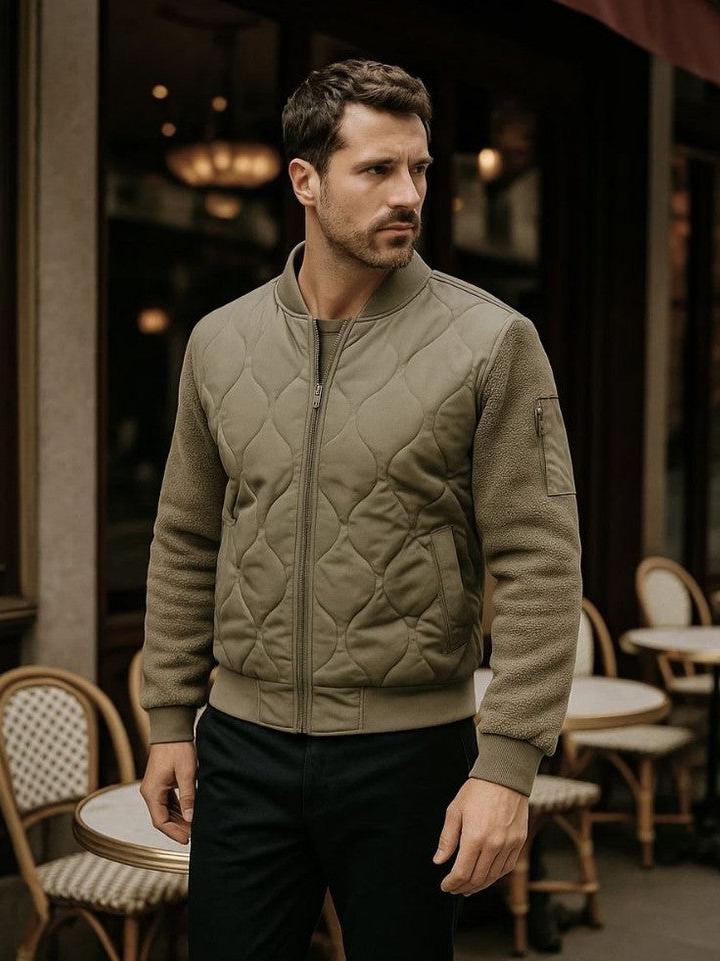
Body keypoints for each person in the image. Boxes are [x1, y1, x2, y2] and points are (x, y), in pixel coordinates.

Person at [139, 58, 582, 960]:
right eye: (377, 169)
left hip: (411, 756)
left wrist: (508, 764)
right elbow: (186, 536)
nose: (407, 193)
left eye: (418, 169)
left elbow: (540, 558)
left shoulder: (491, 341)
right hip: (244, 750)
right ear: (305, 180)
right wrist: (170, 717)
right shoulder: (220, 342)